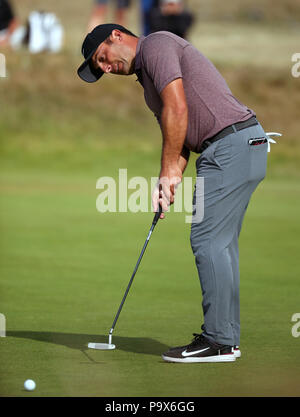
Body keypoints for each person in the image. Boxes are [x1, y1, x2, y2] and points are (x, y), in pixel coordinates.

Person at [77, 24, 271, 363]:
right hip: (238, 146)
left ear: (116, 37)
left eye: (102, 59)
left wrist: (168, 170)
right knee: (221, 244)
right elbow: (178, 133)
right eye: (100, 69)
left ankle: (219, 342)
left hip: (229, 146)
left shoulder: (156, 45)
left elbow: (178, 108)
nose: (106, 68)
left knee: (207, 241)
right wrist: (168, 181)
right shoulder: (148, 83)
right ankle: (225, 338)